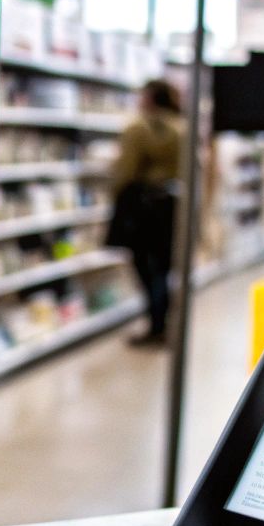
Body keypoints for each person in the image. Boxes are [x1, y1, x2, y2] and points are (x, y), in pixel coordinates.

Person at [107, 79, 184, 346]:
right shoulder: (181, 128)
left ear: (150, 98)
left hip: (143, 206)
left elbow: (126, 170)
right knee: (164, 266)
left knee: (145, 266)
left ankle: (156, 324)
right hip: (172, 203)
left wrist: (115, 192)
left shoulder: (138, 129)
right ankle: (163, 321)